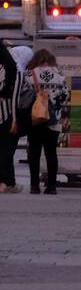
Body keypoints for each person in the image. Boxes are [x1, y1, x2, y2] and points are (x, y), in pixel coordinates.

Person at [26, 49, 68, 195]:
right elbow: (66, 96)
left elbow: (24, 96)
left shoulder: (30, 74)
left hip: (35, 119)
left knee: (34, 152)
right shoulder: (60, 75)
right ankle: (51, 186)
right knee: (51, 153)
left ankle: (34, 186)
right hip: (53, 119)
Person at [0, 38, 22, 195]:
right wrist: (14, 119)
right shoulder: (12, 70)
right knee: (5, 148)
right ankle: (6, 181)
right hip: (3, 113)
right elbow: (13, 98)